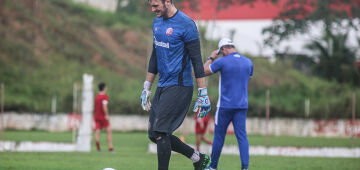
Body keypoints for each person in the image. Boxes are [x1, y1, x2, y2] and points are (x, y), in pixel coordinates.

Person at [141, 0, 211, 169]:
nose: (153, 9)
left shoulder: (187, 24)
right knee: (153, 134)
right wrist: (147, 87)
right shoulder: (157, 22)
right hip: (163, 85)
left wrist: (203, 92)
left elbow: (196, 60)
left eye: (156, 5)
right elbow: (155, 57)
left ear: (168, 2)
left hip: (180, 85)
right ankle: (197, 158)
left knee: (160, 132)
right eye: (151, 5)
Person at [203, 38, 253, 170]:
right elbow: (248, 79)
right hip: (242, 105)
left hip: (224, 106)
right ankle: (245, 168)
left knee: (219, 136)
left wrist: (211, 57)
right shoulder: (248, 62)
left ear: (223, 49)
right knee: (242, 137)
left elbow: (203, 71)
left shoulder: (222, 61)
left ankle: (213, 167)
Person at [94, 82, 114, 152]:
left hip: (96, 116)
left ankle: (98, 148)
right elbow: (104, 107)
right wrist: (107, 115)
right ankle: (110, 148)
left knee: (97, 131)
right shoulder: (104, 96)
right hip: (103, 117)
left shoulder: (97, 97)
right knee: (109, 131)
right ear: (104, 88)